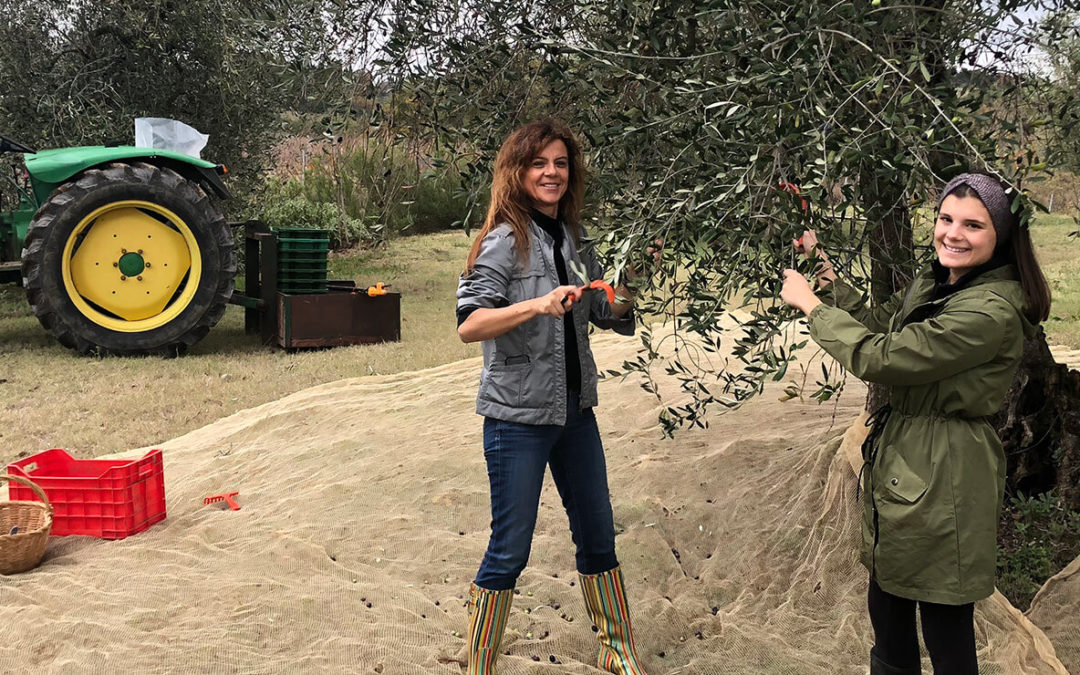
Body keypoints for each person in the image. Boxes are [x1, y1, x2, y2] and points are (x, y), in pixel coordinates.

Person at [780, 173, 1051, 675]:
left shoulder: (990, 311)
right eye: (946, 219)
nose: (953, 233)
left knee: (944, 620)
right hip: (906, 459)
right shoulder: (941, 282)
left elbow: (885, 358)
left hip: (947, 468)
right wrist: (827, 278)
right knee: (888, 606)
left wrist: (812, 308)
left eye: (973, 224)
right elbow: (887, 328)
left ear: (1003, 236)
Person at [455, 118, 653, 675]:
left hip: (576, 414)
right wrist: (538, 305)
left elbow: (601, 310)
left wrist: (629, 284)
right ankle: (480, 665)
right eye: (539, 163)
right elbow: (470, 325)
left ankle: (618, 655)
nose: (551, 173)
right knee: (511, 547)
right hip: (516, 420)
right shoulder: (502, 242)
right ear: (517, 172)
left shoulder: (572, 238)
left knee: (598, 534)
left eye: (560, 164)